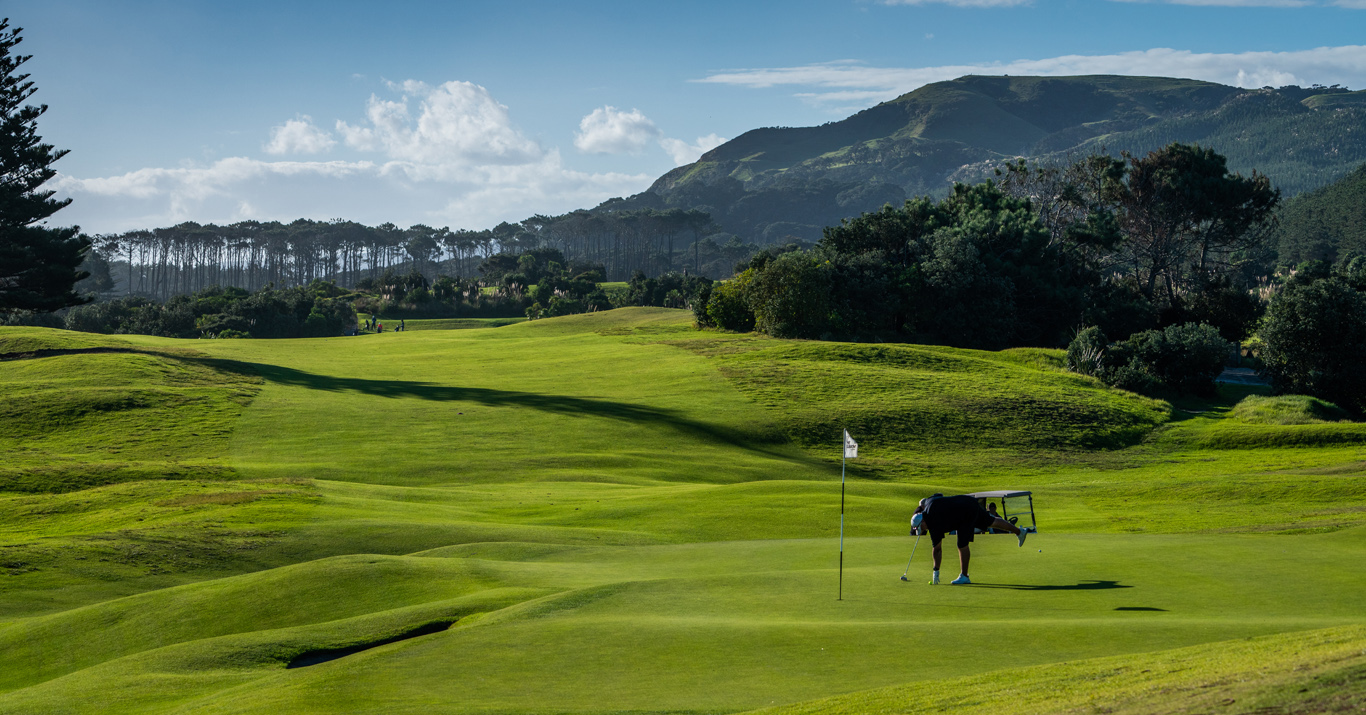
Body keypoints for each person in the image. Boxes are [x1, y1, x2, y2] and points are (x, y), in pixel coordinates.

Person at [911, 494, 1027, 585]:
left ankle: (964, 576)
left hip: (964, 513)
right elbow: (937, 496)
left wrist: (936, 571)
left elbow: (937, 549)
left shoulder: (933, 523)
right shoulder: (929, 506)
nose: (923, 530)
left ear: (923, 521)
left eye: (921, 527)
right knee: (991, 522)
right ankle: (1019, 532)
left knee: (962, 544)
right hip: (968, 502)